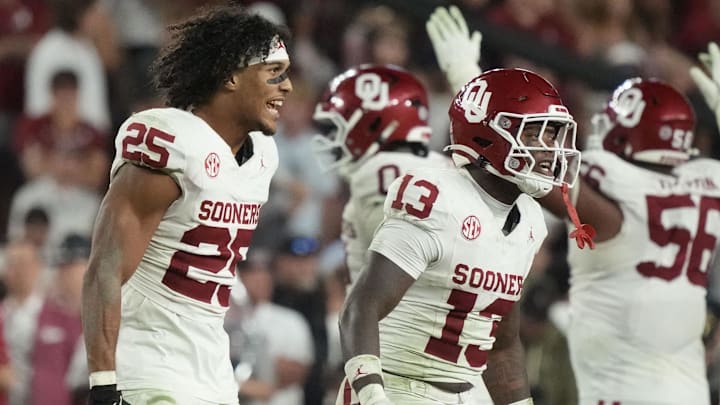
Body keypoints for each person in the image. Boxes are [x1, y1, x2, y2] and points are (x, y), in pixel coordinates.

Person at [80, 5, 292, 405]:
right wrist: (103, 385)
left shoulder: (263, 155)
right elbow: (104, 268)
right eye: (274, 72)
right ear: (231, 76)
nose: (288, 87)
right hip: (149, 366)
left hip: (214, 373)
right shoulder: (172, 142)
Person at [337, 67, 587, 405]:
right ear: (487, 136)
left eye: (553, 136)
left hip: (467, 392)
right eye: (533, 135)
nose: (549, 150)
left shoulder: (529, 220)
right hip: (398, 386)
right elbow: (361, 306)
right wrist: (371, 394)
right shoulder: (438, 199)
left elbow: (500, 345)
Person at [312, 64, 451, 286]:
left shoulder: (383, 171)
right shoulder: (440, 167)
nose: (333, 139)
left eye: (339, 127)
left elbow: (395, 265)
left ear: (372, 124)